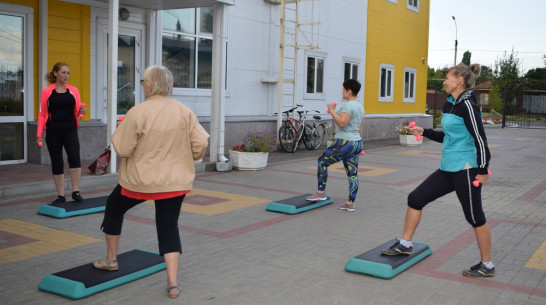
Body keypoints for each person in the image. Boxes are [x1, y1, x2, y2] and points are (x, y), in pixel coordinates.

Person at [92, 65, 209, 298]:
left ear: (149, 86)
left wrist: (120, 129)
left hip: (139, 181)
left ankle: (111, 260)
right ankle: (173, 284)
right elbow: (201, 145)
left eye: (143, 82)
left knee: (114, 207)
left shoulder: (137, 112)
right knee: (168, 227)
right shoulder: (185, 111)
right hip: (174, 182)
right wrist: (189, 156)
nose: (143, 86)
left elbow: (123, 148)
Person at [381, 63, 495, 278]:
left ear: (459, 80)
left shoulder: (468, 105)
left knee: (475, 217)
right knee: (415, 198)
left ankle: (487, 265)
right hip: (448, 168)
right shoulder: (450, 104)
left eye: (447, 77)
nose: (444, 81)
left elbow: (480, 140)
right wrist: (424, 131)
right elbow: (447, 136)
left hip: (466, 169)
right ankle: (405, 244)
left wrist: (483, 170)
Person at [306, 79, 365, 212]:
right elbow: (360, 127)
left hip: (345, 142)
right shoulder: (360, 106)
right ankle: (350, 203)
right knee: (352, 174)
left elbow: (342, 123)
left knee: (322, 162)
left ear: (349, 91)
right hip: (356, 142)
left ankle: (321, 193)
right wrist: (359, 144)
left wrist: (332, 110)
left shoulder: (348, 106)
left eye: (344, 89)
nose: (342, 92)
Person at [37, 62, 86, 204]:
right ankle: (61, 196)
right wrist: (39, 134)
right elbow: (42, 114)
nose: (66, 75)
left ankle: (76, 191)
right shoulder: (47, 92)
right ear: (55, 73)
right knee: (57, 162)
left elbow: (77, 111)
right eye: (63, 72)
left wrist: (82, 111)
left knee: (74, 158)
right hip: (53, 131)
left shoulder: (73, 90)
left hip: (70, 130)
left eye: (68, 73)